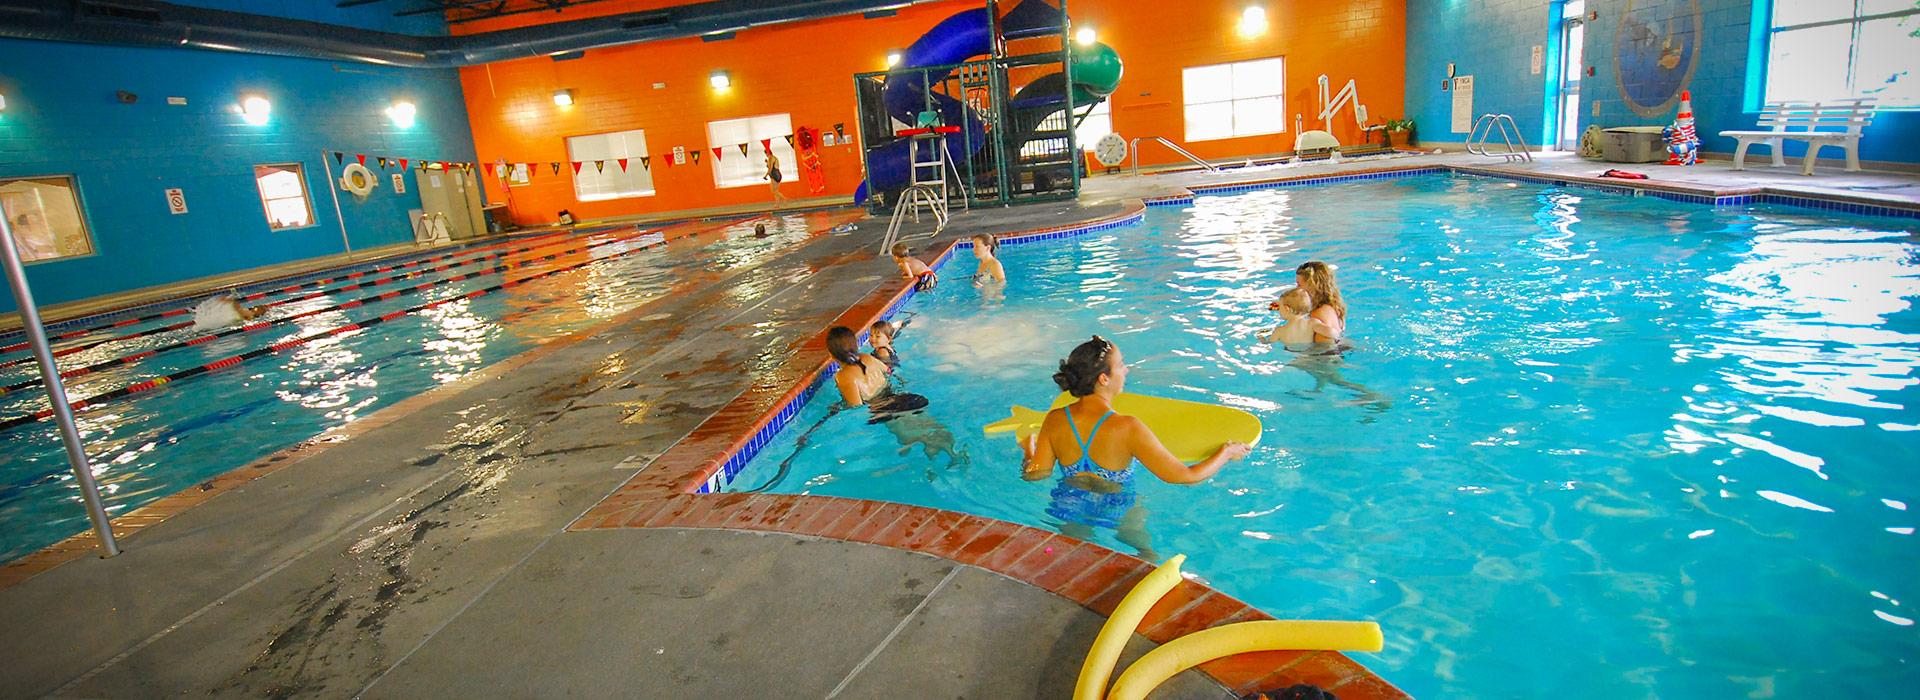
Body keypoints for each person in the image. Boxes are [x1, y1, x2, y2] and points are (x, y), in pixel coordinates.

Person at [1020, 336, 1252, 557]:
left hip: (1068, 502)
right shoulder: (1127, 427)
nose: (1126, 370)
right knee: (1145, 554)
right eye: (1121, 365)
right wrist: (1226, 453)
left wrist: (1028, 449)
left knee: (1073, 559)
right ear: (1104, 378)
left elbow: (1035, 474)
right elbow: (1184, 476)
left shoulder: (1056, 419)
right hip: (1117, 504)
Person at [1294, 261, 1346, 344]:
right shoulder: (1333, 306)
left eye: (1299, 285)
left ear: (1313, 285)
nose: (1296, 289)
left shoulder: (1318, 314)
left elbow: (1324, 349)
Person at [191, 293, 263, 330]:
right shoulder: (249, 314)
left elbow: (238, 310)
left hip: (222, 324)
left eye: (257, 308)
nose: (254, 307)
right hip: (223, 322)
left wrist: (232, 301)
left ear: (258, 312)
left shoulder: (250, 316)